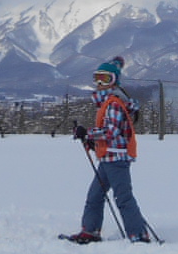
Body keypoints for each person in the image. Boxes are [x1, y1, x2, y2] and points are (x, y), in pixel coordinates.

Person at [62, 57, 151, 244]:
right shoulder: (108, 103)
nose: (100, 83)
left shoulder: (114, 103)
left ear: (114, 81)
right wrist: (91, 141)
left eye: (105, 79)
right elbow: (110, 135)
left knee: (123, 197)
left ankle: (138, 234)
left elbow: (112, 131)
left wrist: (88, 133)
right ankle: (90, 231)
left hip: (117, 158)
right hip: (108, 156)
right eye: (97, 78)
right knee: (95, 195)